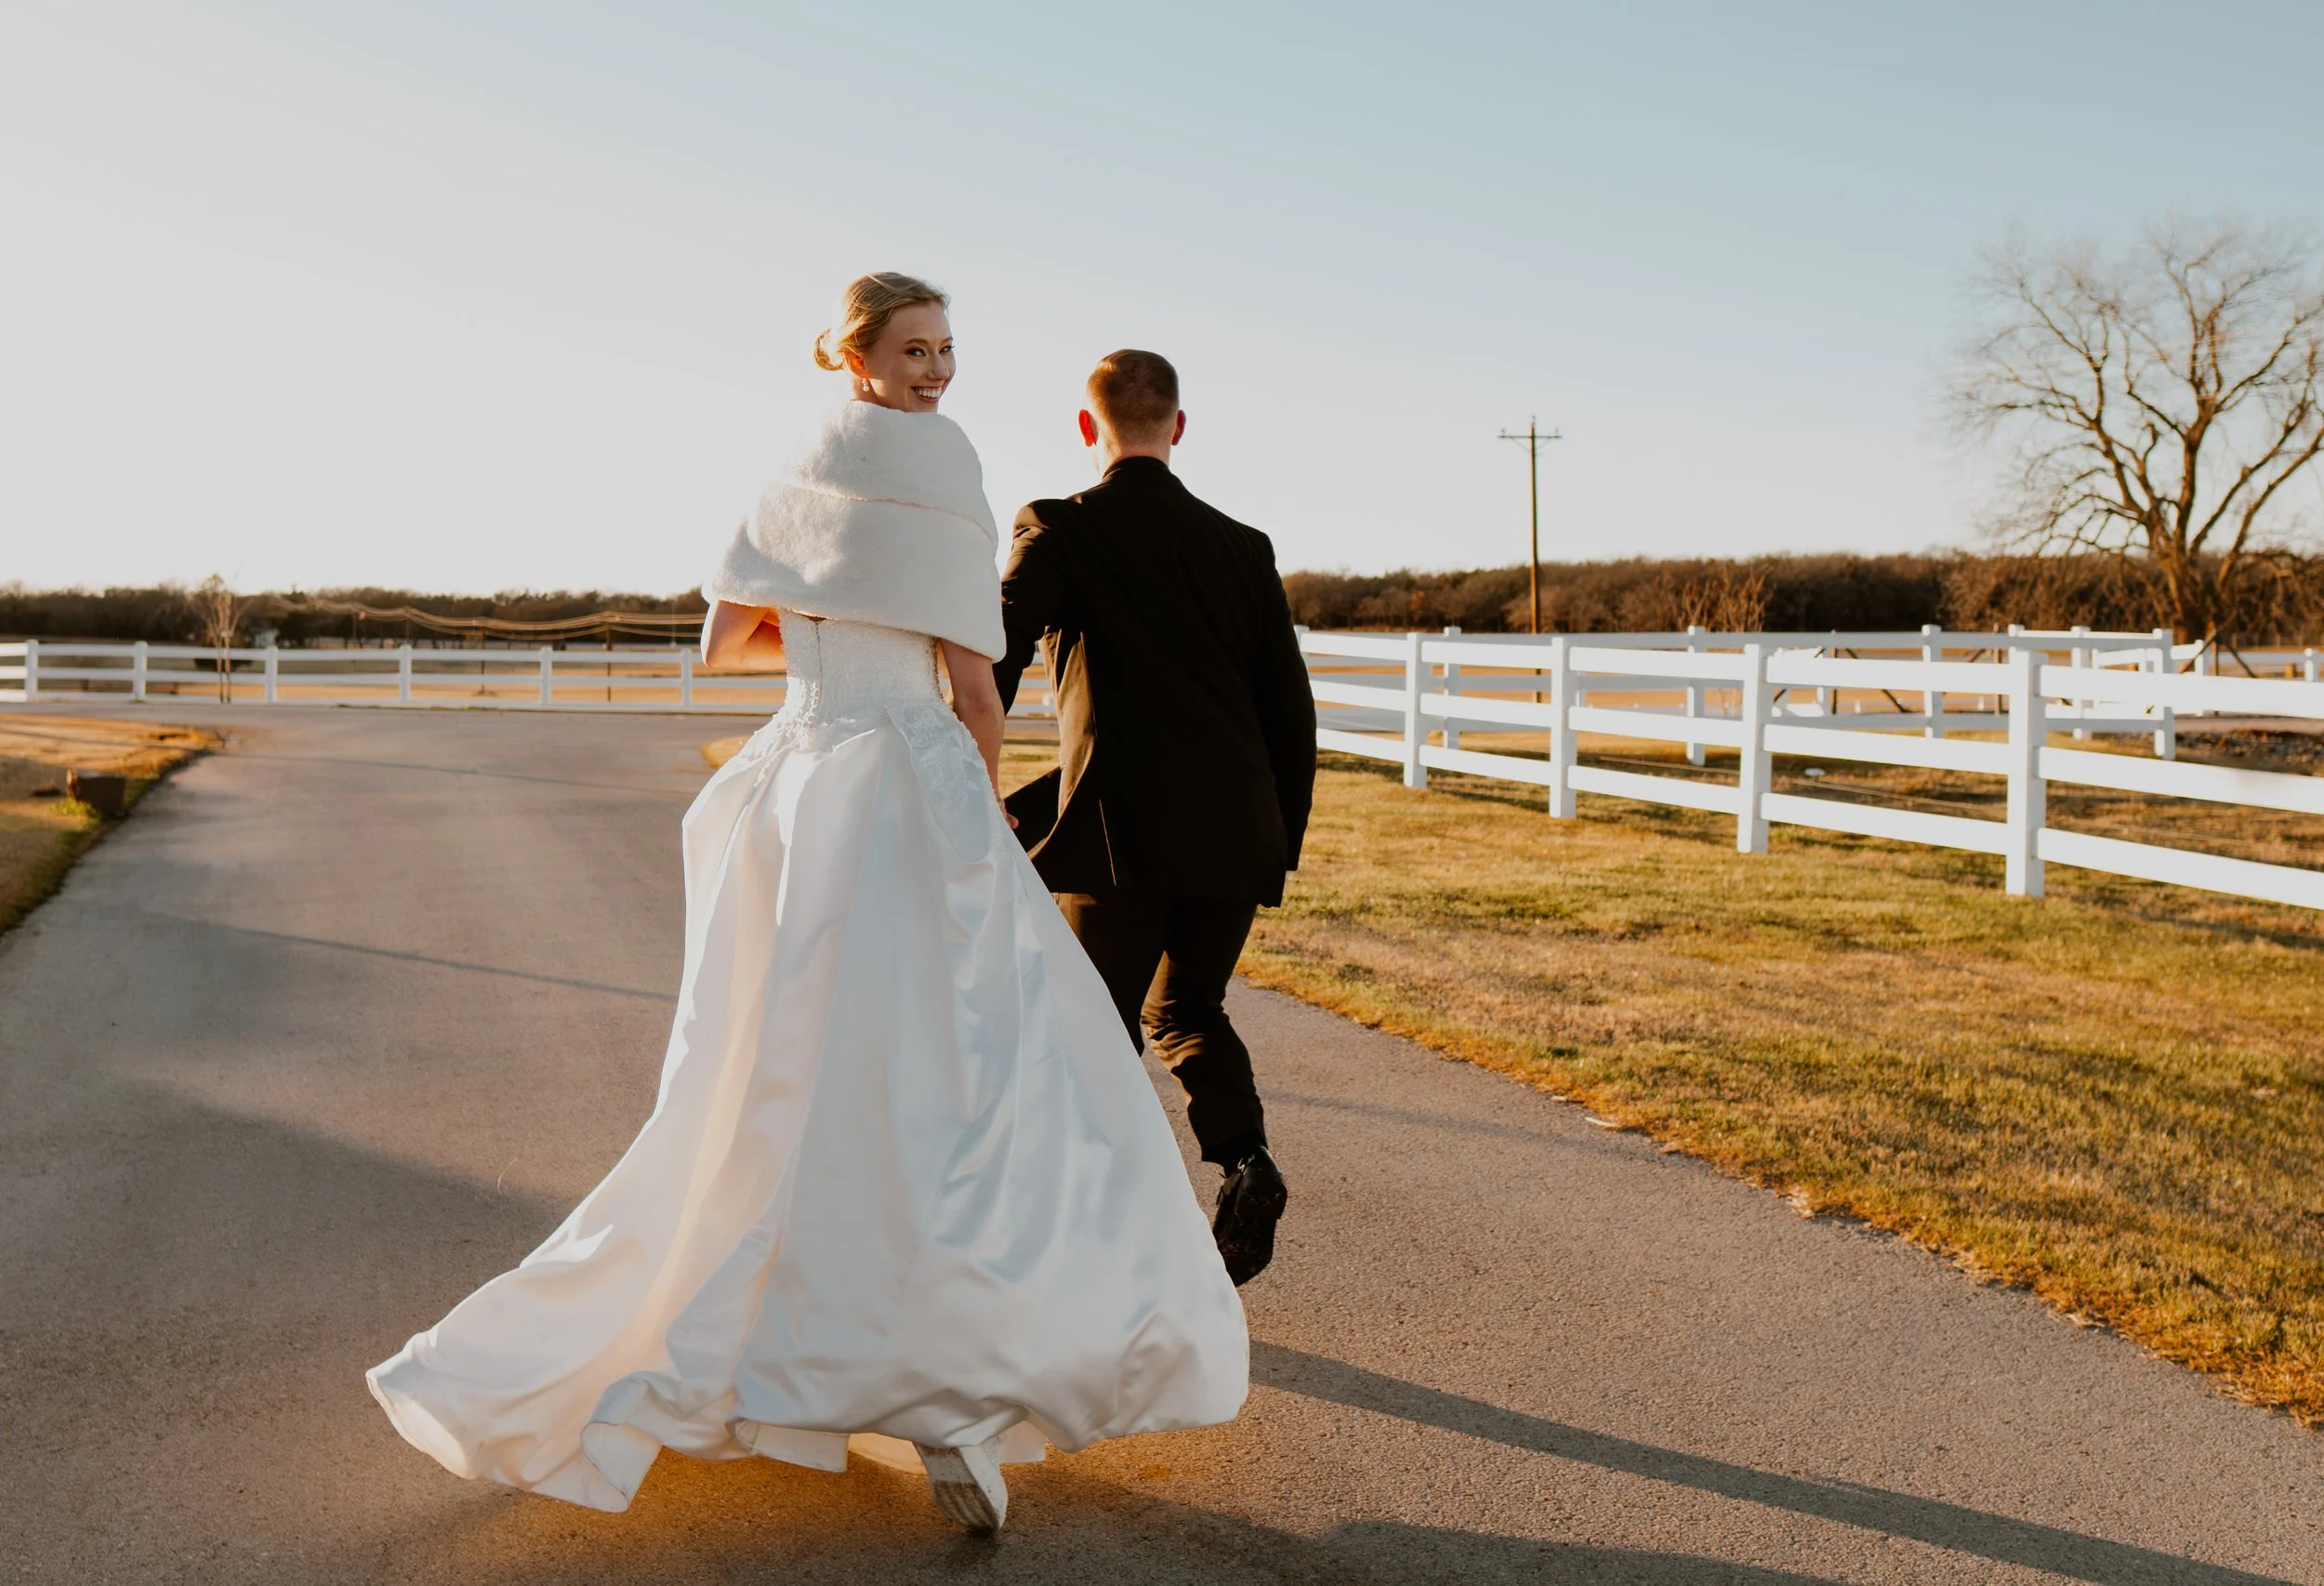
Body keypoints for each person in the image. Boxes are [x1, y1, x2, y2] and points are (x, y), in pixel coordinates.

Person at [365, 275, 1247, 1536]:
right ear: (860, 353)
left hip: (794, 780)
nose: (938, 370)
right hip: (907, 779)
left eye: (947, 349)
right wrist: (975, 783)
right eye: (916, 348)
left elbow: (724, 642)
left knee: (774, 1074)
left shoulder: (786, 462)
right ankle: (943, 1383)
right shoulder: (942, 464)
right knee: (954, 1073)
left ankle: (784, 1347)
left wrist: (832, 637)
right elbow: (975, 678)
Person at [994, 350, 1317, 1288]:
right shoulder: (1242, 545)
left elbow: (998, 647)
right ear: (1177, 427)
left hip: (1116, 835)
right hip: (1235, 832)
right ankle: (1245, 1159)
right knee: (1187, 1007)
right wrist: (1275, 846)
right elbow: (1286, 711)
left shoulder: (1056, 525)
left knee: (1093, 1033)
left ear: (1088, 429)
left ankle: (1104, 1245)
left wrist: (965, 767)